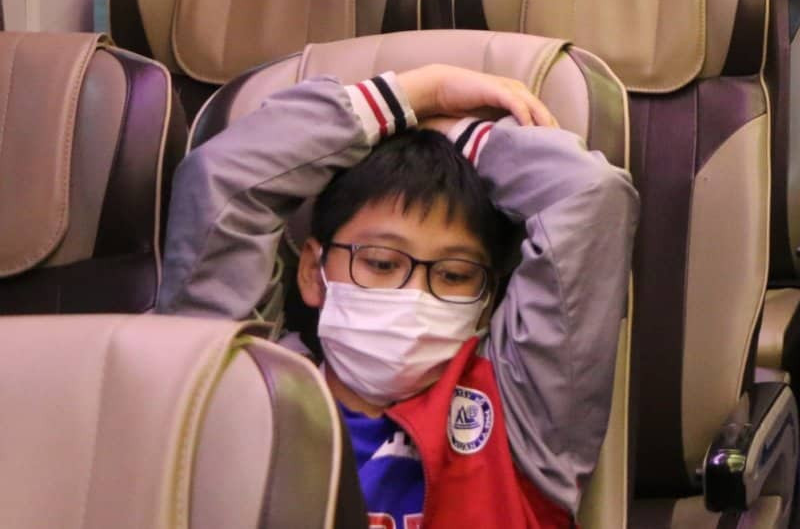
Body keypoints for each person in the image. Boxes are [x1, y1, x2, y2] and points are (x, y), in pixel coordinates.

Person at [158, 64, 638, 528]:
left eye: (453, 275)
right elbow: (224, 179)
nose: (414, 296)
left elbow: (588, 195)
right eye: (382, 264)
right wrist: (424, 92)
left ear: (486, 302)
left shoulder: (526, 417)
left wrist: (453, 136)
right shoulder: (252, 392)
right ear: (312, 271)